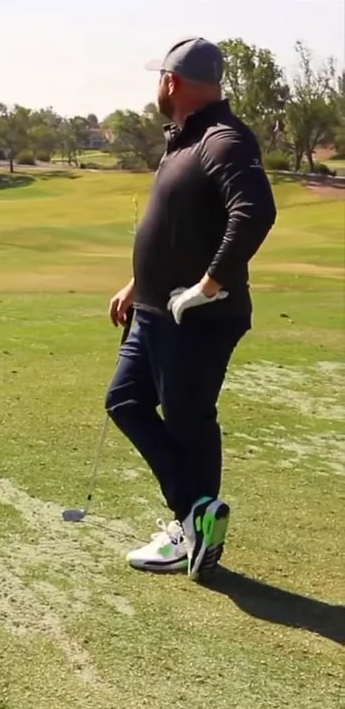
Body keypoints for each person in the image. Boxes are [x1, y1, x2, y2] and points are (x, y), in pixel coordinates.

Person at [106, 37, 277, 580]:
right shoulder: (185, 140)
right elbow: (181, 227)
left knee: (188, 419)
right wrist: (139, 282)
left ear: (172, 83)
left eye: (160, 77)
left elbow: (253, 213)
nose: (157, 85)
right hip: (155, 311)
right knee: (125, 401)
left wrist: (207, 285)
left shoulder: (222, 139)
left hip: (197, 317)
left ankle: (193, 528)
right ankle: (195, 513)